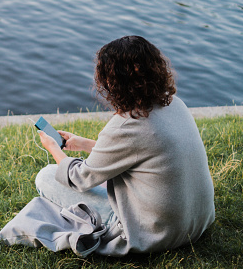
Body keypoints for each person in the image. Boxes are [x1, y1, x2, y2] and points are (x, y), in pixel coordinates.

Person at [36, 35, 215, 255]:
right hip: (197, 222)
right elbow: (142, 153)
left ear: (111, 82)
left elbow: (80, 178)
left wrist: (53, 147)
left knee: (46, 177)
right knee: (106, 179)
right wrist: (83, 144)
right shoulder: (175, 104)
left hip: (156, 232)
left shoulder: (127, 125)